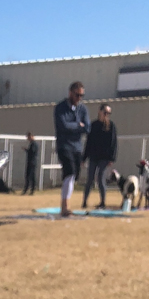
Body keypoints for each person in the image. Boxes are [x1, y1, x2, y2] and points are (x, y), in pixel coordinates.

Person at [53, 80, 90, 217]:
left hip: (77, 147)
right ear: (70, 93)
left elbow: (87, 127)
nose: (79, 98)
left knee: (74, 175)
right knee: (69, 172)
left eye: (82, 95)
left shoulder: (83, 109)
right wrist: (77, 125)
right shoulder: (60, 108)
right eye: (77, 95)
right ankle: (65, 206)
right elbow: (63, 125)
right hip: (64, 146)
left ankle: (66, 205)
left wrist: (76, 126)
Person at [81, 103, 117, 209]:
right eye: (105, 112)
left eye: (109, 113)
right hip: (93, 157)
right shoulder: (93, 125)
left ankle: (102, 202)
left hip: (104, 158)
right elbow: (88, 143)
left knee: (100, 178)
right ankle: (84, 202)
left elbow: (114, 143)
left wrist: (112, 158)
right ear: (99, 111)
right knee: (90, 179)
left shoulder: (111, 126)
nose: (107, 115)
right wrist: (84, 158)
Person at [22, 132, 38, 196]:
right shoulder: (32, 144)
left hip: (32, 162)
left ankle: (32, 190)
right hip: (30, 162)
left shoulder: (34, 144)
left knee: (31, 177)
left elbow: (32, 152)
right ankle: (26, 189)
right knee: (27, 176)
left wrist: (26, 150)